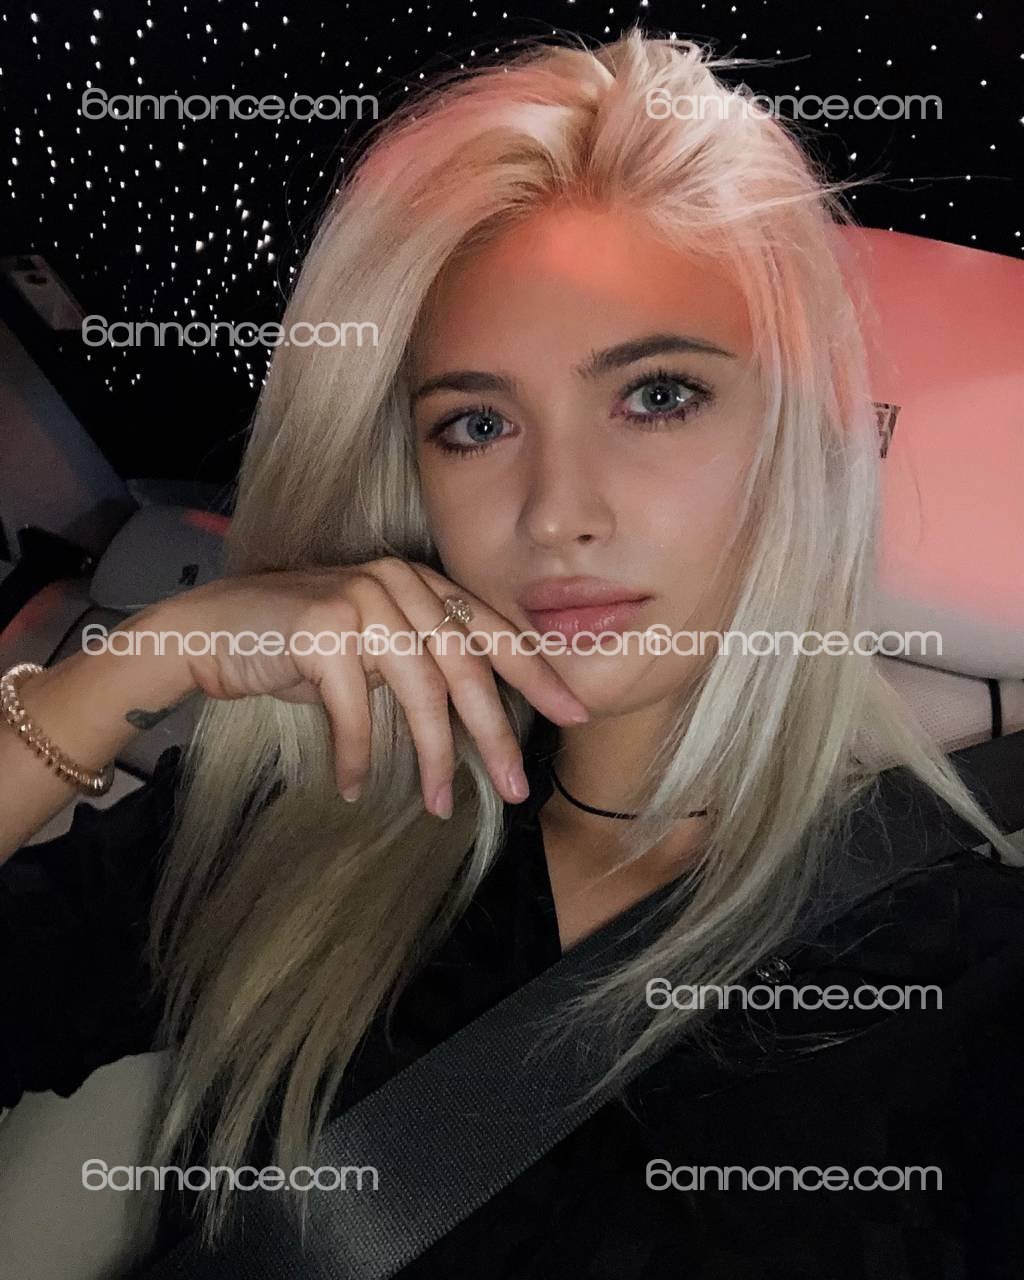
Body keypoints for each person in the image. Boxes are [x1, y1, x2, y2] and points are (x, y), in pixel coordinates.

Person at [2, 30, 1023, 1279]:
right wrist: (133, 665)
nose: (555, 513)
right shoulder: (304, 828)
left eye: (657, 395)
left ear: (796, 443)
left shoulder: (964, 971)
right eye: (477, 423)